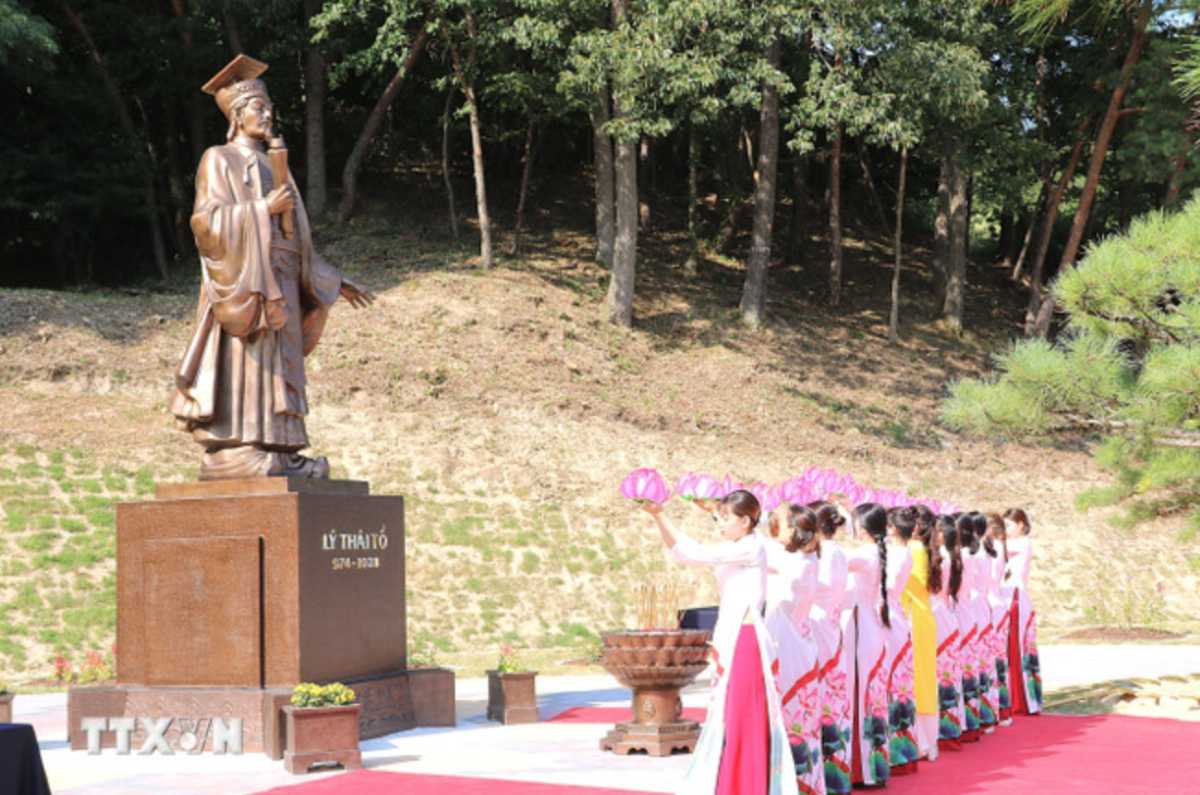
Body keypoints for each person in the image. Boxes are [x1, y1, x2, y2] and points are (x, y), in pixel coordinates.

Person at [171, 54, 374, 480]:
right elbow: (205, 223)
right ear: (237, 115)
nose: (267, 115)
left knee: (283, 372)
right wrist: (261, 209)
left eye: (269, 108)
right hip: (247, 281)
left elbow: (297, 240)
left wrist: (331, 280)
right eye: (258, 109)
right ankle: (239, 450)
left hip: (282, 278)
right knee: (250, 367)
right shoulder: (218, 159)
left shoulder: (277, 166)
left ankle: (282, 452)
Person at [642, 491, 799, 795]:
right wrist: (706, 511)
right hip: (738, 637)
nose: (719, 523)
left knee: (742, 718)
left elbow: (694, 553)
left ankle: (746, 786)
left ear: (744, 520)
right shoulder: (743, 543)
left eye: (725, 518)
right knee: (733, 716)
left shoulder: (749, 548)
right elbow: (686, 552)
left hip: (745, 639)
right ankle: (736, 784)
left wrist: (660, 515)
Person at [765, 505, 826, 795]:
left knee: (789, 718)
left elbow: (759, 546)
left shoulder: (794, 563)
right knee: (802, 718)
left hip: (787, 647)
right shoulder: (810, 558)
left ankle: (791, 785)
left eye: (781, 522)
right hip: (799, 644)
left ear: (794, 532)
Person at [842, 503, 892, 787]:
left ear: (861, 528)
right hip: (870, 627)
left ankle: (861, 770)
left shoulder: (862, 554)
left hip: (861, 629)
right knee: (870, 699)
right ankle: (872, 768)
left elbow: (829, 562)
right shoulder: (875, 552)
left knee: (859, 697)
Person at [808, 501, 853, 795]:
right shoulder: (836, 552)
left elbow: (821, 587)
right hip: (829, 621)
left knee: (822, 690)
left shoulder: (825, 553)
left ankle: (825, 767)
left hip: (819, 621)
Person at [900, 506, 939, 762]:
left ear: (914, 527)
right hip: (923, 617)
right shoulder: (924, 549)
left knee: (916, 680)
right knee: (924, 678)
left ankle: (921, 739)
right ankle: (927, 738)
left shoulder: (911, 550)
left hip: (912, 616)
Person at [883, 508, 918, 774]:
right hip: (893, 614)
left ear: (894, 528)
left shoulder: (898, 553)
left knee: (892, 683)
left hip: (889, 615)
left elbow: (887, 585)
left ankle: (894, 749)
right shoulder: (900, 550)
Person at [1003, 508, 1042, 715]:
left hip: (1015, 596)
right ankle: (1014, 695)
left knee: (1017, 648)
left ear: (1020, 525)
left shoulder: (1023, 543)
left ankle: (1022, 699)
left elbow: (1003, 548)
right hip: (1008, 595)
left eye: (1009, 525)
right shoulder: (1008, 545)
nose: (1006, 529)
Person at [932, 515, 965, 751]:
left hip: (937, 614)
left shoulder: (941, 556)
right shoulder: (953, 556)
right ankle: (952, 725)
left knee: (940, 674)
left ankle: (943, 728)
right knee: (948, 674)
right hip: (947, 613)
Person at [953, 514, 983, 742]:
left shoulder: (961, 555)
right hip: (971, 608)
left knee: (960, 665)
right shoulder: (975, 552)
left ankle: (964, 721)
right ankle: (974, 717)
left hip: (960, 609)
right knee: (968, 666)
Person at [969, 512, 999, 732]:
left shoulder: (976, 553)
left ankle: (983, 714)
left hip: (975, 606)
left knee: (978, 663)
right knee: (984, 664)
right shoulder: (985, 550)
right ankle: (988, 712)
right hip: (982, 605)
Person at [985, 514, 1013, 725]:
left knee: (990, 662)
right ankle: (1002, 708)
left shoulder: (991, 548)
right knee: (999, 661)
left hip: (991, 605)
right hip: (998, 604)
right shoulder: (1000, 546)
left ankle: (995, 709)